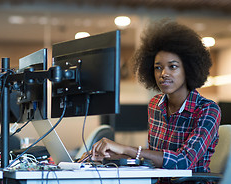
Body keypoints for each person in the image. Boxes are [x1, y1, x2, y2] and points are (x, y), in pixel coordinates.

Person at [89, 19, 221, 174]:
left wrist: (126, 148)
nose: (163, 74)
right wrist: (110, 155)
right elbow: (151, 158)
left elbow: (183, 161)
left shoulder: (208, 110)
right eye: (158, 67)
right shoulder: (155, 105)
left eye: (173, 66)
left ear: (189, 68)